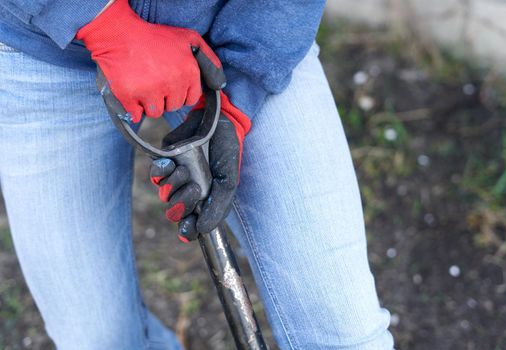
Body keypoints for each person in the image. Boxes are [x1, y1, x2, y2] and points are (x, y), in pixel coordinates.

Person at [0, 0, 394, 349]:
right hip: (41, 51)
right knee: (97, 340)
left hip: (237, 33)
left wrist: (242, 91)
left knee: (345, 333)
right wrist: (103, 23)